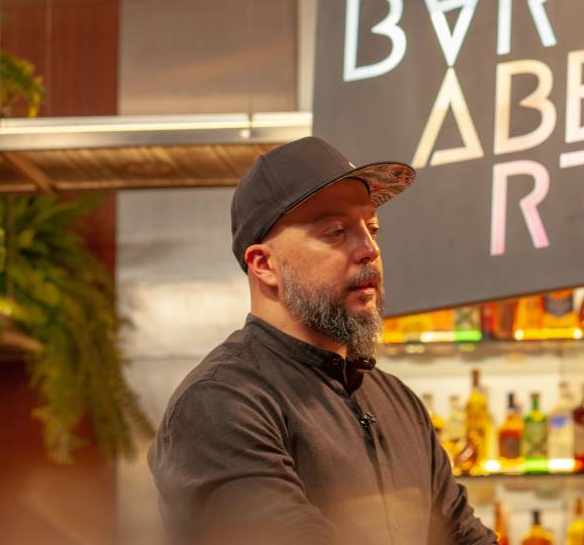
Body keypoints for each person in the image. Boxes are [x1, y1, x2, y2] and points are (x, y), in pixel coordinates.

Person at [148, 136, 495, 545]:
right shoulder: (220, 402)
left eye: (372, 228)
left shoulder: (397, 401)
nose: (369, 250)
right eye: (336, 231)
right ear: (265, 265)